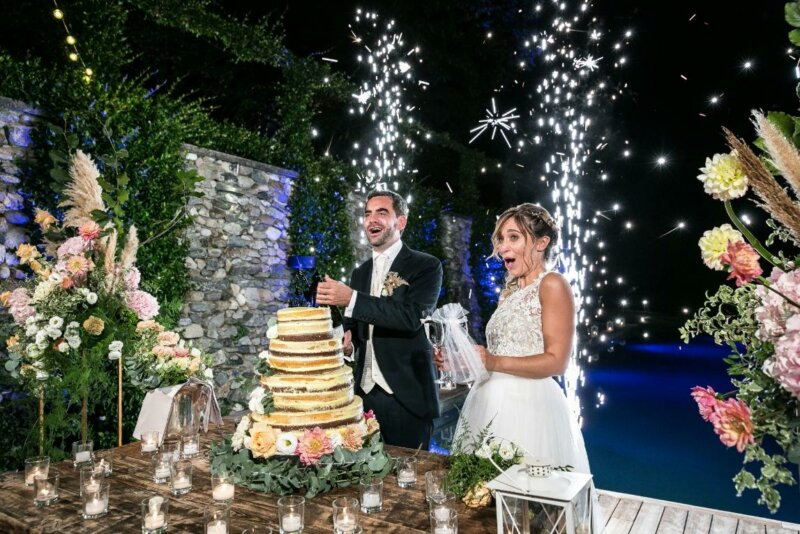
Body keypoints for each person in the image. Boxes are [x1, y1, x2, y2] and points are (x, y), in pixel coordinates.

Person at [451, 202, 593, 475]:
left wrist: (492, 361)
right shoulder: (509, 292)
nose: (503, 247)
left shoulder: (553, 284)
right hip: (487, 403)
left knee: (529, 500)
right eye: (501, 238)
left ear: (542, 242)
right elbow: (500, 354)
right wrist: (462, 361)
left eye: (514, 237)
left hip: (530, 409)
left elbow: (557, 362)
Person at [316, 189, 443, 449]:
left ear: (401, 221)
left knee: (408, 479)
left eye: (382, 213)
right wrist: (348, 344)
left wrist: (351, 298)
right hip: (364, 397)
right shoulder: (359, 273)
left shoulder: (426, 266)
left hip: (406, 396)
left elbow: (410, 317)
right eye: (367, 213)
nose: (372, 219)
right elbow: (355, 329)